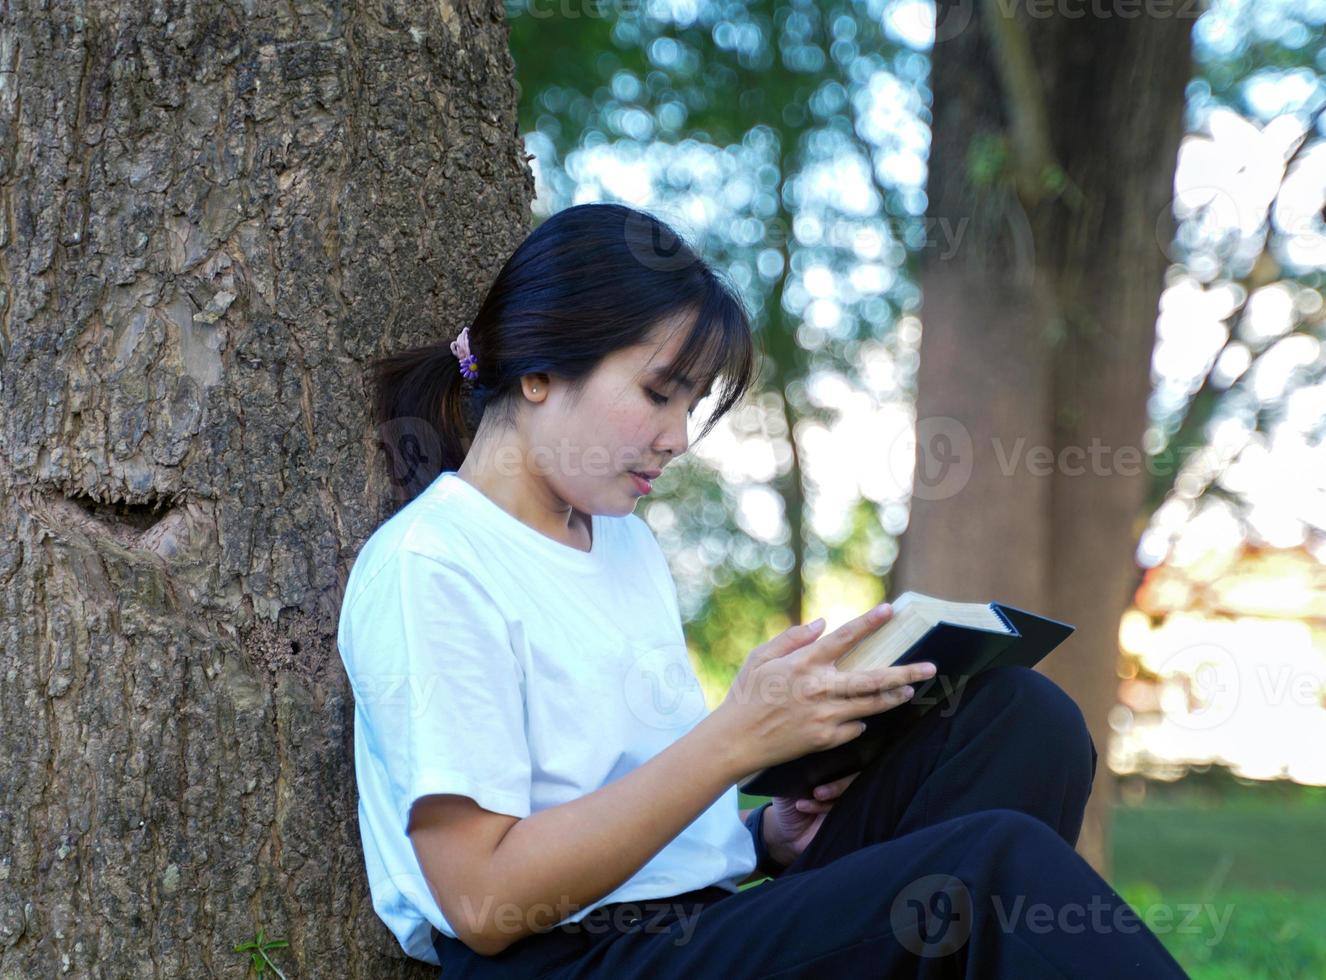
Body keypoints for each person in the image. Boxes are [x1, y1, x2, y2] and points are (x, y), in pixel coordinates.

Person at [336, 202, 1189, 978]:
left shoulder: (623, 543)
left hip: (695, 931)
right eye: (658, 395)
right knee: (986, 866)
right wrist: (737, 739)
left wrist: (765, 837)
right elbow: (482, 902)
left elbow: (626, 800)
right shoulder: (433, 564)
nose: (676, 439)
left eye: (693, 407)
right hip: (558, 965)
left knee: (1014, 717)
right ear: (538, 372)